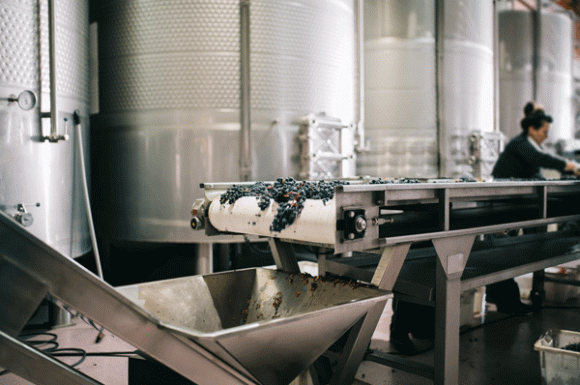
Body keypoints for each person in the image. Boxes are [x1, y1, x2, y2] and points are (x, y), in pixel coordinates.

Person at [486, 102, 580, 315]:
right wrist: (570, 167)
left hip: (520, 205)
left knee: (514, 250)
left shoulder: (531, 144)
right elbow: (540, 160)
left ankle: (505, 299)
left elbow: (535, 173)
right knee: (503, 252)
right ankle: (503, 299)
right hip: (505, 206)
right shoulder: (520, 144)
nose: (546, 137)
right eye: (544, 132)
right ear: (532, 129)